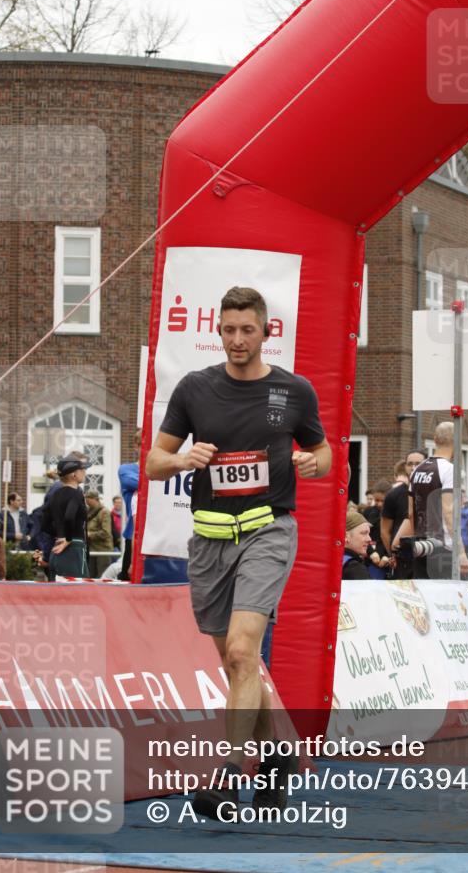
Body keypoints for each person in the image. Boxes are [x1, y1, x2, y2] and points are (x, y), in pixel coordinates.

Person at [145, 285, 331, 821]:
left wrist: (313, 464)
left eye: (247, 329)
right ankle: (275, 758)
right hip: (209, 539)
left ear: (266, 332)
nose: (236, 339)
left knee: (245, 652)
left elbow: (320, 450)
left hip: (268, 531)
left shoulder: (293, 391)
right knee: (235, 664)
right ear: (218, 331)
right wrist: (183, 460)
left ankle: (228, 774)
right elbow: (155, 460)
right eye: (228, 329)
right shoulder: (195, 389)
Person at [392, 423, 468, 580]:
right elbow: (449, 512)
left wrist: (396, 546)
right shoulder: (450, 470)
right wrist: (461, 552)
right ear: (457, 441)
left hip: (421, 547)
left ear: (435, 440)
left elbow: (410, 514)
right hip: (444, 548)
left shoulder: (417, 470)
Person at [47, 452, 90, 580]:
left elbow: (45, 522)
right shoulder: (76, 493)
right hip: (73, 548)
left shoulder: (55, 494)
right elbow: (69, 516)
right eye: (82, 469)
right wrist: (68, 539)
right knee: (78, 592)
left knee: (57, 593)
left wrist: (59, 535)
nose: (85, 472)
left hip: (57, 549)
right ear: (74, 474)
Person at [381, 452, 425, 558]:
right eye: (410, 464)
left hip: (427, 552)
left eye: (418, 463)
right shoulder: (393, 494)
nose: (413, 467)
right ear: (405, 466)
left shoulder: (432, 491)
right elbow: (385, 531)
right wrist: (393, 555)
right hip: (402, 555)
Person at [118, 429, 141, 581]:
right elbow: (141, 483)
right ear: (135, 447)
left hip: (156, 537)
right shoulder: (126, 470)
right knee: (129, 582)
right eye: (142, 445)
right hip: (132, 534)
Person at [85, 490, 114, 578]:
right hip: (92, 549)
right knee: (90, 576)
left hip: (103, 550)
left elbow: (106, 532)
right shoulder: (89, 511)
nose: (86, 501)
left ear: (95, 499)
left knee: (102, 576)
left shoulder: (104, 512)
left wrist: (90, 534)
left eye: (88, 499)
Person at [342, 510, 372, 579]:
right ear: (346, 536)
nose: (369, 539)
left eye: (369, 534)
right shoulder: (355, 569)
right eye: (364, 533)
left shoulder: (332, 561)